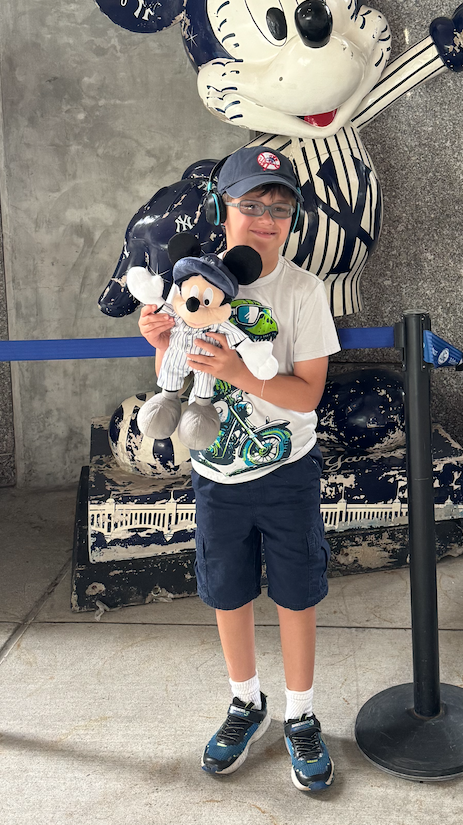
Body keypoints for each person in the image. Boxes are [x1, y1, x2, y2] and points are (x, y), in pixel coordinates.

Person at [137, 145, 340, 793]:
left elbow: (307, 394)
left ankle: (301, 715)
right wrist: (164, 343)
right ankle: (245, 702)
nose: (265, 218)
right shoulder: (189, 282)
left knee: (297, 594)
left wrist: (238, 371)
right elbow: (177, 375)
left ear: (292, 220)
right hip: (218, 476)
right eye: (251, 204)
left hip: (287, 475)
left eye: (279, 208)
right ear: (224, 209)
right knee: (227, 592)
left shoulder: (304, 292)